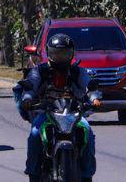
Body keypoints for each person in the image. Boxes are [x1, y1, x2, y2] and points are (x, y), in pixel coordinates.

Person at [15, 32, 99, 182]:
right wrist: (27, 99)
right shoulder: (39, 71)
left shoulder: (77, 71)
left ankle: (87, 175)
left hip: (74, 114)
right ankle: (33, 173)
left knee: (88, 132)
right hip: (46, 113)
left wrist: (95, 98)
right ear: (49, 53)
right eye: (56, 54)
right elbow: (31, 86)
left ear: (71, 54)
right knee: (35, 134)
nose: (60, 58)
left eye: (64, 54)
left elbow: (89, 86)